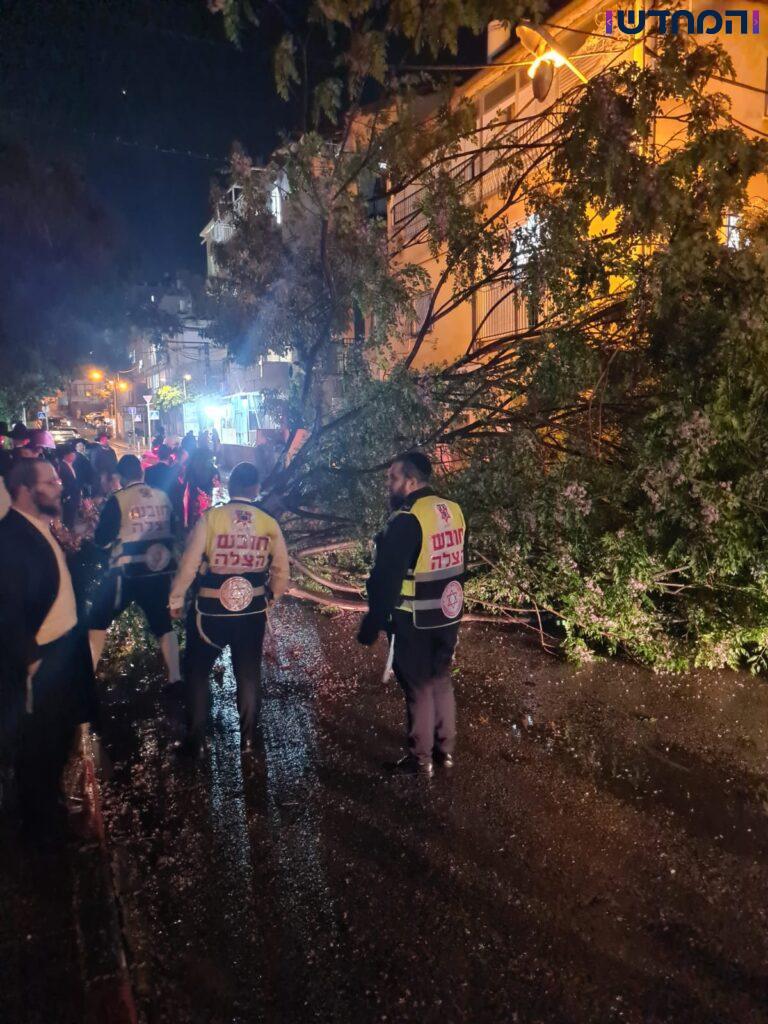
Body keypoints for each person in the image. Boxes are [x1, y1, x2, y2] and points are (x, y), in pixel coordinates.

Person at [357, 452, 467, 777]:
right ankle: (445, 751)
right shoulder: (454, 511)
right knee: (441, 678)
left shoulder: (407, 519)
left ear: (411, 481)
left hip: (413, 617)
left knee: (418, 686)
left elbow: (387, 580)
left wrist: (371, 624)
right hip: (448, 612)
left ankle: (421, 760)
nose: (389, 485)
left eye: (393, 478)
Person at [0, 459, 95, 832]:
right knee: (38, 742)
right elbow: (6, 609)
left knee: (58, 734)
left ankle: (52, 800)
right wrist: (30, 660)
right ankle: (42, 826)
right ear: (25, 490)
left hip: (63, 647)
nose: (61, 485)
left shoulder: (39, 526)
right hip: (40, 658)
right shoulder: (10, 538)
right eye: (51, 481)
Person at [169, 462, 289, 756]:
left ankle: (196, 740)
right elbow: (281, 571)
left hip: (209, 613)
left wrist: (175, 600)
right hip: (251, 613)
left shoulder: (211, 519)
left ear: (229, 486)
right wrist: (270, 598)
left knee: (198, 672)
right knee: (248, 674)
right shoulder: (268, 523)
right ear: (256, 489)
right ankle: (249, 741)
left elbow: (188, 565)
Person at [88, 455, 181, 687]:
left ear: (119, 476)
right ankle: (176, 677)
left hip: (126, 574)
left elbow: (102, 539)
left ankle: (86, 674)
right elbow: (176, 530)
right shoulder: (163, 496)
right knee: (162, 622)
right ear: (141, 471)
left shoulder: (118, 500)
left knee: (97, 618)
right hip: (159, 571)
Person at [182, 448, 220, 531]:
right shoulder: (212, 468)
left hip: (193, 497)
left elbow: (184, 482)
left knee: (193, 519)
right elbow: (217, 484)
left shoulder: (191, 466)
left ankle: (191, 533)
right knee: (206, 519)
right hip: (207, 497)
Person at [57, 442, 82, 530]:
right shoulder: (62, 466)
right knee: (68, 520)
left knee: (71, 520)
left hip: (74, 497)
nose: (74, 456)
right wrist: (67, 496)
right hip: (68, 498)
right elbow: (62, 483)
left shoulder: (70, 465)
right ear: (66, 455)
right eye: (72, 454)